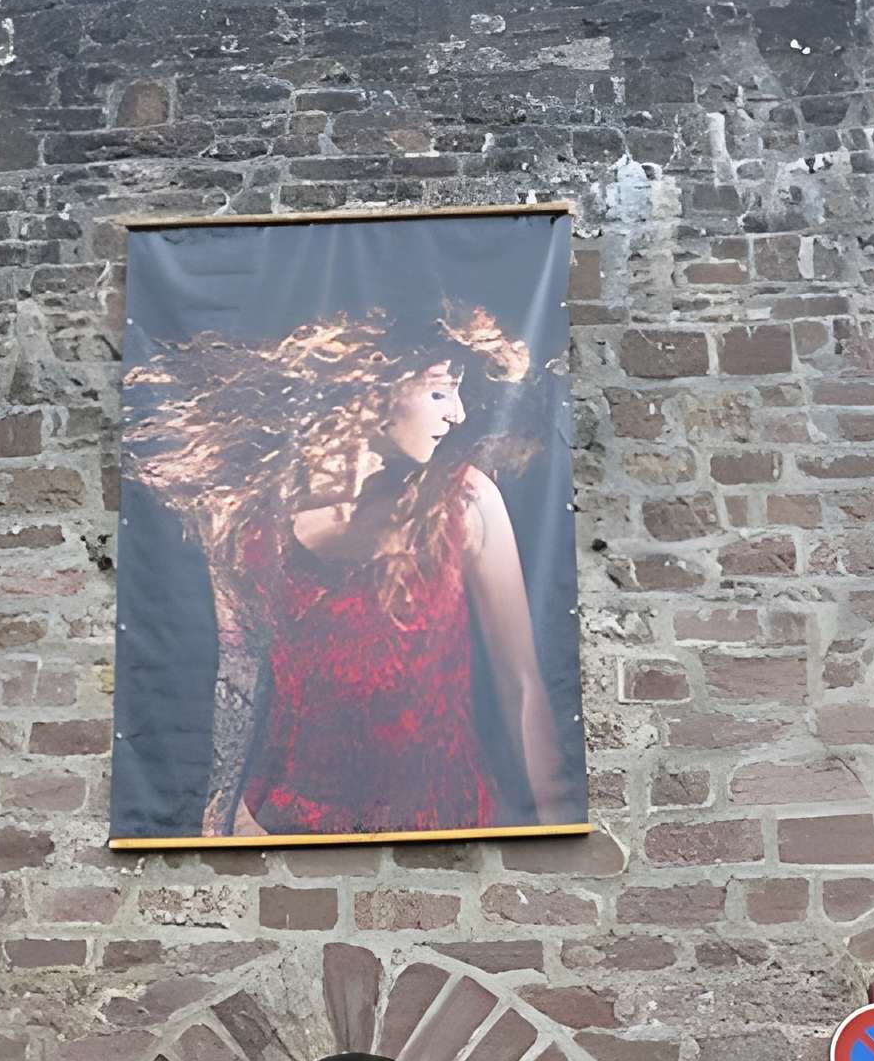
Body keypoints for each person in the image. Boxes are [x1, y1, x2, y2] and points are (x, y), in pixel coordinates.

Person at [122, 299, 579, 838]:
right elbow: (238, 679)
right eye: (440, 390)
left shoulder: (465, 499)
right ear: (373, 389)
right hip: (280, 824)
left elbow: (521, 684)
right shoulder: (252, 515)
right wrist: (219, 820)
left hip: (442, 824)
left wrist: (557, 822)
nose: (458, 413)